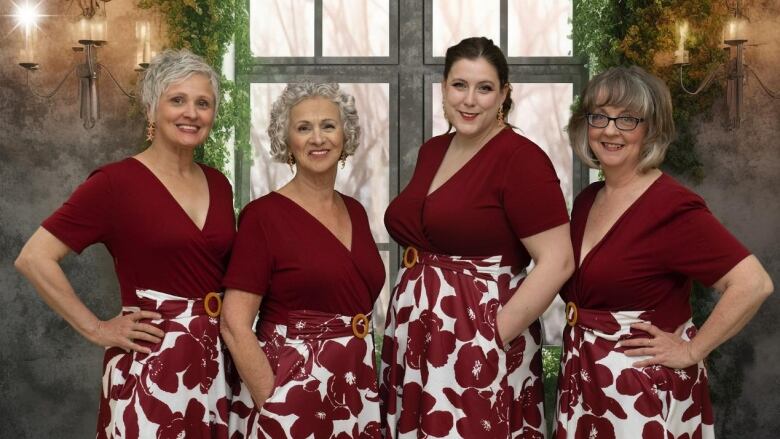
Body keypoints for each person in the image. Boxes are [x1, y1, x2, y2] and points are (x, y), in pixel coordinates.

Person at [15, 49, 235, 438]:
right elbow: (34, 258)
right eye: (177, 100)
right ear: (151, 109)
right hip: (152, 365)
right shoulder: (116, 183)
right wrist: (97, 328)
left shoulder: (219, 184)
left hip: (217, 364)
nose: (192, 113)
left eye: (203, 103)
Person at [553, 65, 774, 438]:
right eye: (600, 116)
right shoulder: (589, 199)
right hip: (585, 385)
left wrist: (692, 351)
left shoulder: (671, 206)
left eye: (627, 119)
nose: (610, 130)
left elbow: (753, 284)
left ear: (651, 129)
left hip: (642, 396)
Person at [380, 36, 575, 438]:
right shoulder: (433, 150)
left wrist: (492, 335)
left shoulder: (521, 158)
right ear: (444, 88)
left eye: (484, 88)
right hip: (420, 337)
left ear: (503, 94)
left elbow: (558, 261)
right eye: (459, 85)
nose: (469, 100)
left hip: (479, 335)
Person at [220, 82, 385, 439]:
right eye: (303, 127)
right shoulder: (263, 216)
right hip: (289, 391)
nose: (317, 138)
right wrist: (277, 406)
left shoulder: (355, 211)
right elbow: (234, 324)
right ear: (287, 142)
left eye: (328, 125)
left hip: (355, 388)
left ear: (345, 135)